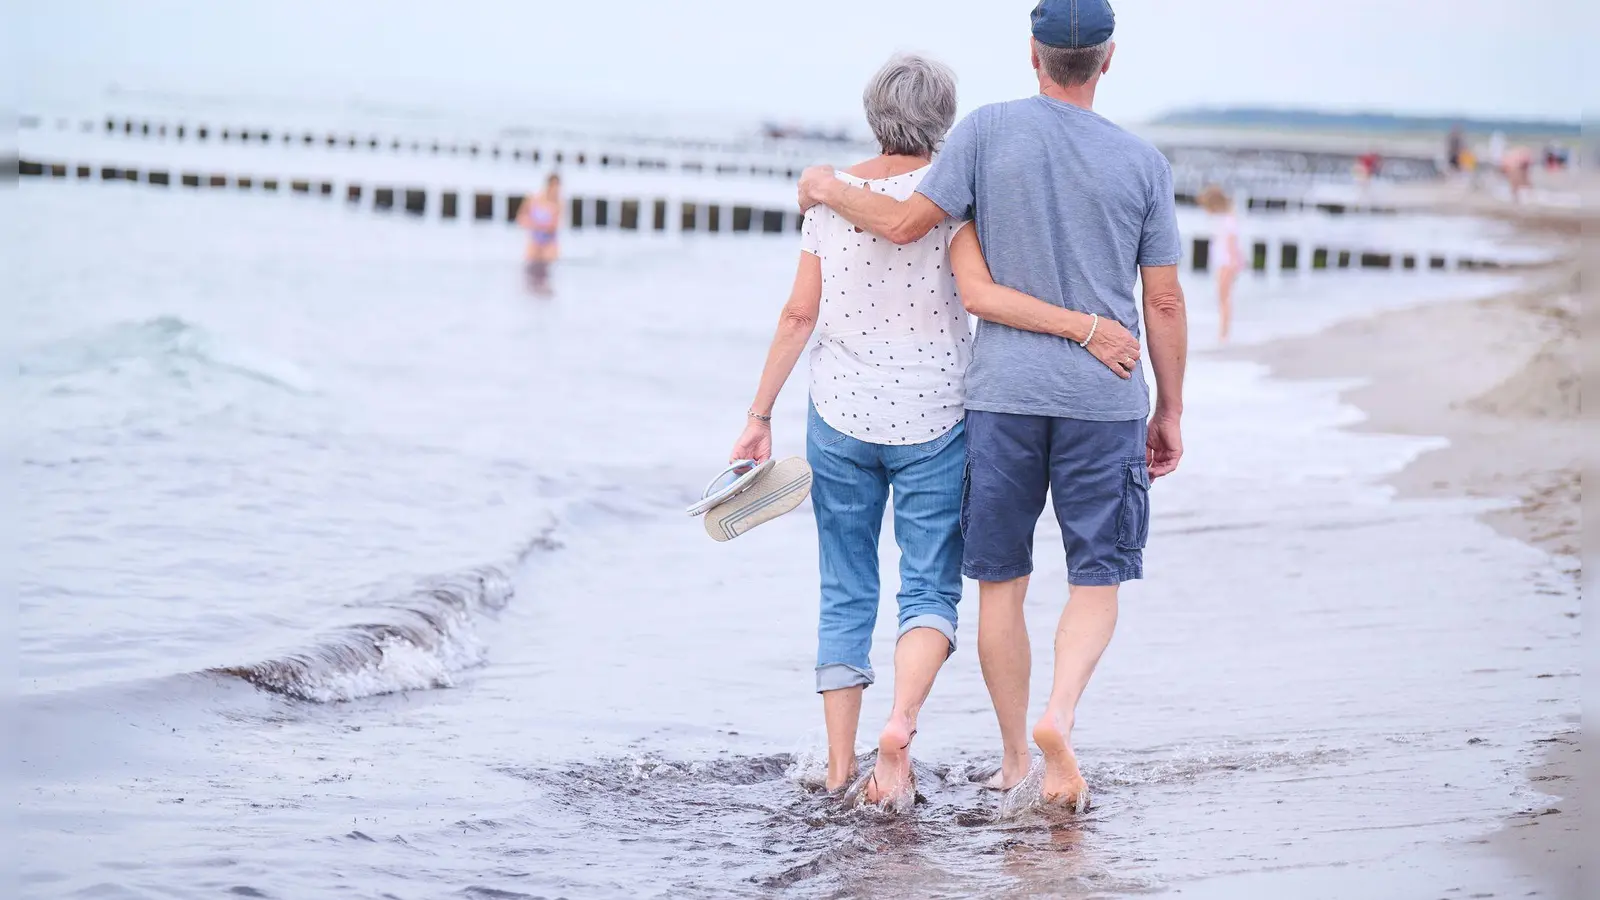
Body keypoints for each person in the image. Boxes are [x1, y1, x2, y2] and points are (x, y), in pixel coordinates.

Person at [730, 53, 1146, 810]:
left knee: (844, 587)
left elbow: (798, 315)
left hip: (839, 415)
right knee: (926, 588)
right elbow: (981, 294)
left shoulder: (830, 200)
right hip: (935, 419)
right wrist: (1090, 329)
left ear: (871, 111)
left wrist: (757, 416)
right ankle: (900, 725)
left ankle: (835, 767)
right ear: (945, 120)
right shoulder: (954, 200)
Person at [1197, 185, 1242, 342]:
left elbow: (1232, 244)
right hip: (1223, 262)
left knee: (1224, 298)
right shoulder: (1226, 218)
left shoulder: (1227, 220)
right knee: (1223, 298)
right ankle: (1223, 332)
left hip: (1226, 263)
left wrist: (1235, 263)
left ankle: (1224, 334)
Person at [515, 173, 562, 294]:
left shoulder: (558, 204)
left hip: (548, 246)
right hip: (534, 245)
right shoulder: (533, 199)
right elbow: (521, 218)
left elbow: (554, 226)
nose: (556, 190)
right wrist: (536, 225)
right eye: (554, 187)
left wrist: (538, 226)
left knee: (546, 281)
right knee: (529, 281)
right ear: (549, 186)